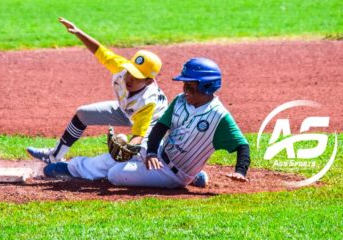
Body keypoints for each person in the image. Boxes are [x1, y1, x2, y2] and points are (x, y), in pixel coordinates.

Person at [43, 58, 250, 188]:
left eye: (190, 85)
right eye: (184, 84)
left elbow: (242, 145)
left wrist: (240, 171)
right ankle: (73, 168)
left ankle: (192, 177)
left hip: (173, 175)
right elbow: (160, 128)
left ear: (207, 86)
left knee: (116, 174)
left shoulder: (219, 117)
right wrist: (150, 152)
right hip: (159, 153)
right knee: (123, 153)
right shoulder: (179, 101)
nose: (185, 89)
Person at [27, 17, 168, 164]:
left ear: (149, 81)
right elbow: (100, 51)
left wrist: (128, 146)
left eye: (137, 77)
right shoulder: (121, 68)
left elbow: (139, 134)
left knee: (138, 156)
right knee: (83, 113)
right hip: (126, 110)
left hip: (153, 122)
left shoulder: (147, 102)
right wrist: (78, 32)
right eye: (130, 72)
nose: (130, 78)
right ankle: (54, 157)